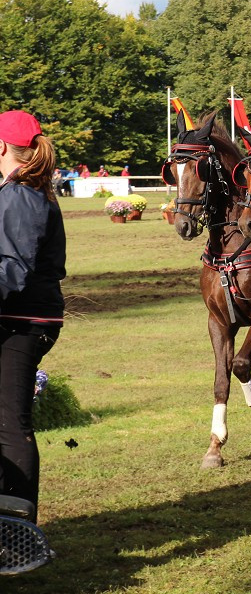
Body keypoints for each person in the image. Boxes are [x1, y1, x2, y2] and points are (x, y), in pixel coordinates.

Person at [0, 110, 66, 522]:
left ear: (2, 147)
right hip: (20, 319)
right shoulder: (21, 190)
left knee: (9, 424)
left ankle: (18, 530)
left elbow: (10, 267)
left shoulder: (20, 195)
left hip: (21, 324)